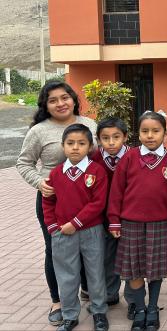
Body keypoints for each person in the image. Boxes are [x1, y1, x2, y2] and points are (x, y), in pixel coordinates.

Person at [16, 81, 95, 326]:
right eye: (53, 100)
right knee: (56, 250)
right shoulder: (39, 131)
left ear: (73, 99)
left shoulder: (89, 124)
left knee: (88, 247)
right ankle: (57, 301)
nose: (60, 103)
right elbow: (24, 163)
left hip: (87, 200)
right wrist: (40, 183)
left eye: (64, 98)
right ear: (45, 105)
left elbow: (101, 158)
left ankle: (86, 289)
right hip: (54, 201)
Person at [107, 111, 167, 331]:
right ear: (137, 134)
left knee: (155, 270)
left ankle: (153, 308)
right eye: (145, 131)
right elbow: (116, 191)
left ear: (165, 134)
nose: (150, 135)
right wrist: (114, 221)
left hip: (159, 223)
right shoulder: (129, 157)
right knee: (135, 270)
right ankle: (139, 308)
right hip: (130, 223)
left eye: (156, 131)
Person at [42, 124, 109, 331]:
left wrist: (76, 223)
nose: (75, 148)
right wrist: (54, 227)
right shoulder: (55, 174)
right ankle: (70, 315)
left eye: (81, 143)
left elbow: (98, 203)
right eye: (70, 143)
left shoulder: (97, 171)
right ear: (63, 146)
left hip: (91, 231)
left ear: (90, 147)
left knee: (95, 273)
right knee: (66, 275)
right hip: (62, 233)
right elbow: (48, 202)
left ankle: (99, 312)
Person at [90, 117, 134, 317]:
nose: (111, 142)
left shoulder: (135, 156)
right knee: (107, 257)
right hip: (104, 219)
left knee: (132, 258)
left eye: (116, 137)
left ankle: (134, 298)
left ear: (125, 137)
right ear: (98, 139)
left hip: (131, 216)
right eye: (105, 138)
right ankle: (110, 293)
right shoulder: (92, 159)